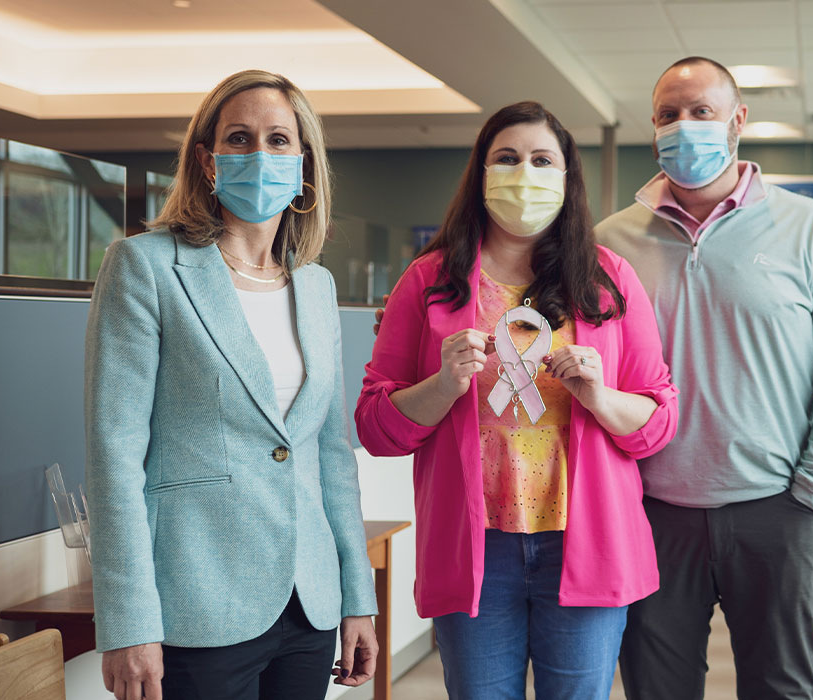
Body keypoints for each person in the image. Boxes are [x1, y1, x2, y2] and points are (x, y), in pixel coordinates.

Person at [355, 101, 678, 700]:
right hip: (477, 546)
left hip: (585, 540)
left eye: (541, 160)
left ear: (564, 177)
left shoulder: (608, 280)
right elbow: (377, 427)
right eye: (506, 159)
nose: (523, 173)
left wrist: (600, 397)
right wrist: (443, 385)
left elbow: (657, 423)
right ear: (481, 175)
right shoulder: (429, 283)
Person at [85, 69, 378, 700]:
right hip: (196, 601)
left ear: (303, 165)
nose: (259, 154)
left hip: (306, 604)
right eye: (239, 139)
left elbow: (331, 458)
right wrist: (128, 621)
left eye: (278, 141)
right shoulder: (146, 267)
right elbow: (115, 459)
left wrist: (358, 595)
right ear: (208, 162)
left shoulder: (317, 287)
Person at [595, 57, 813, 700]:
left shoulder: (809, 229)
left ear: (737, 121)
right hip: (651, 512)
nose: (685, 126)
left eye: (702, 111)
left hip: (776, 509)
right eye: (669, 114)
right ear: (653, 128)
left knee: (779, 689)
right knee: (656, 689)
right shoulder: (610, 243)